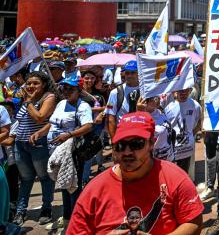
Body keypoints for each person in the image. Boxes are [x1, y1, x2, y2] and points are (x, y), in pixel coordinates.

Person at [67, 111, 204, 234]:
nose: (127, 152)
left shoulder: (175, 178)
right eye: (120, 145)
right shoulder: (94, 190)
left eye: (136, 144)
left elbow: (194, 222)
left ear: (151, 143)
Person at [43, 75, 94, 230]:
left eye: (70, 89)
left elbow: (88, 126)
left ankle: (76, 222)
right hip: (58, 152)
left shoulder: (83, 106)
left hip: (73, 153)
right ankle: (66, 219)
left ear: (78, 90)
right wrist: (40, 132)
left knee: (73, 188)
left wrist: (69, 135)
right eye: (63, 88)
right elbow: (52, 123)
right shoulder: (61, 104)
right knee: (65, 186)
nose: (66, 91)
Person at [10, 71, 57, 226]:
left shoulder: (48, 97)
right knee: (25, 179)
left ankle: (46, 208)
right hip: (20, 144)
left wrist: (28, 102)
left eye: (35, 83)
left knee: (44, 178)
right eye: (29, 83)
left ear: (43, 84)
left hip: (39, 145)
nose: (31, 86)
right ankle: (21, 211)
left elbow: (40, 117)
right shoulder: (25, 99)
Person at [164, 87, 201, 173]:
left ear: (190, 91)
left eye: (186, 90)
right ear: (175, 91)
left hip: (187, 149)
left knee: (184, 174)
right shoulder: (169, 108)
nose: (183, 93)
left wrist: (191, 134)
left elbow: (199, 122)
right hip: (173, 150)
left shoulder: (195, 105)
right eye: (181, 90)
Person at [105, 60, 140, 140]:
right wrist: (114, 141)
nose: (129, 75)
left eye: (133, 72)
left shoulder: (145, 90)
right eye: (127, 73)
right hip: (123, 135)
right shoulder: (115, 92)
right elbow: (111, 118)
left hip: (142, 134)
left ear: (139, 73)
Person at [136, 96, 175, 162]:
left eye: (157, 97)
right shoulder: (140, 118)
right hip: (155, 163)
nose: (158, 99)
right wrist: (140, 113)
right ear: (144, 102)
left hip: (169, 159)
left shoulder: (160, 111)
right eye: (153, 99)